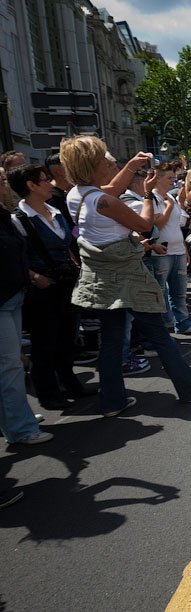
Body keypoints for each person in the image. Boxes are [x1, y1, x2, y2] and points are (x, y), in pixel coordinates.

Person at [60, 136, 191, 417]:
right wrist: (148, 195)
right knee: (160, 335)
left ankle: (112, 402)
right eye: (104, 159)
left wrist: (130, 166)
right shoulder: (103, 201)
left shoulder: (77, 194)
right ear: (93, 166)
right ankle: (188, 389)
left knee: (113, 341)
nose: (108, 162)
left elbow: (111, 189)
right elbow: (145, 226)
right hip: (127, 274)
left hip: (103, 276)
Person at [8, 164, 90, 409]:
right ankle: (48, 393)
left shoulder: (54, 211)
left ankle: (69, 382)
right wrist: (34, 277)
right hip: (41, 289)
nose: (51, 184)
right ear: (31, 186)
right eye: (45, 180)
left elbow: (68, 244)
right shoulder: (18, 219)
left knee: (67, 337)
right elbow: (16, 258)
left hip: (64, 283)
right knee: (45, 342)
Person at [0, 171, 54, 445]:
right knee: (10, 366)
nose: (4, 186)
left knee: (9, 365)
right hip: (3, 298)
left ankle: (13, 418)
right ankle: (20, 427)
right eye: (0, 182)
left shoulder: (3, 214)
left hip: (12, 296)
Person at [150, 162, 191, 334]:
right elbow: (158, 224)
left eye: (173, 177)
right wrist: (170, 207)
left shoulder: (169, 197)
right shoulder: (153, 197)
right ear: (157, 179)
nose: (174, 181)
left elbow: (177, 227)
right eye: (170, 178)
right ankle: (165, 324)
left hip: (177, 249)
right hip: (162, 252)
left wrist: (184, 249)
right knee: (161, 292)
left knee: (179, 292)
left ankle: (182, 322)